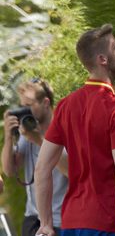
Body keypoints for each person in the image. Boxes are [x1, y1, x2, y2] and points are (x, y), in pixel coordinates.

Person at [35, 24, 115, 236]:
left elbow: (42, 167)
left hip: (71, 222)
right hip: (108, 222)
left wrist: (45, 224)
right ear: (102, 59)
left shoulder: (65, 105)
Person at [1, 79, 68, 236]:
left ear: (45, 102)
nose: (24, 111)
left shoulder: (64, 130)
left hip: (60, 220)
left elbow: (73, 172)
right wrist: (9, 137)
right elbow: (10, 171)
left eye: (28, 106)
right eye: (21, 106)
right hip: (32, 219)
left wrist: (39, 139)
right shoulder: (27, 131)